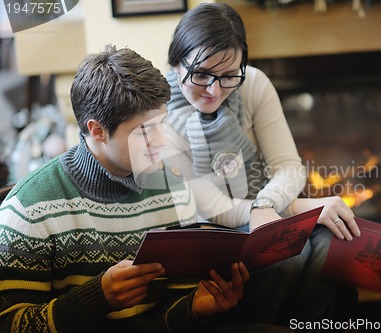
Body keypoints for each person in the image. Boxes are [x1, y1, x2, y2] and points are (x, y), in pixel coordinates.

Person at [0, 45, 293, 333]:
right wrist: (96, 299)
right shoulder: (29, 208)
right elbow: (9, 322)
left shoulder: (170, 184)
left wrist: (196, 308)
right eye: (144, 130)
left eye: (161, 124)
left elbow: (167, 312)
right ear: (97, 130)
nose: (161, 140)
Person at [164, 2, 361, 328]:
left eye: (229, 76)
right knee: (287, 255)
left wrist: (269, 205)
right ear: (175, 65)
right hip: (207, 231)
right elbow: (212, 207)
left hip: (265, 210)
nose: (215, 90)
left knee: (334, 242)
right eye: (201, 75)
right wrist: (294, 209)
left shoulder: (253, 83)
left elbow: (288, 167)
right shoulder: (160, 117)